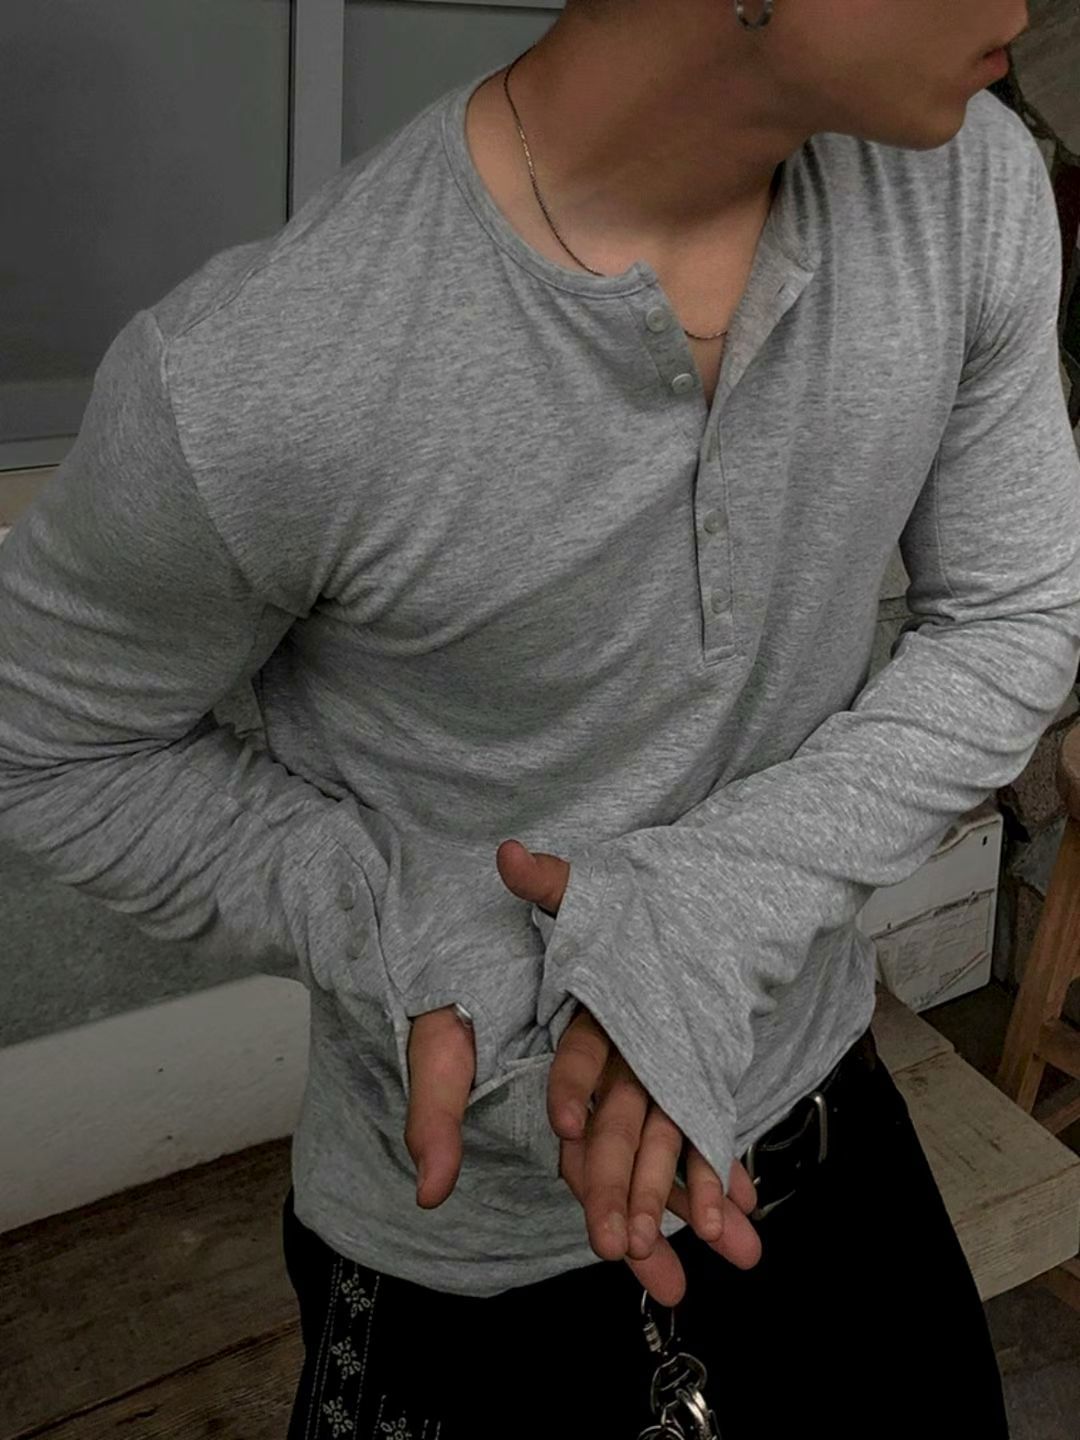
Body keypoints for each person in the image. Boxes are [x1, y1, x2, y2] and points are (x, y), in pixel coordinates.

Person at [0, 0, 1069, 1434]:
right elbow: (44, 743)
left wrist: (709, 908)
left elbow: (1011, 613)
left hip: (832, 1133)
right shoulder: (270, 375)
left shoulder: (968, 186)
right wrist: (403, 917)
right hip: (473, 1258)